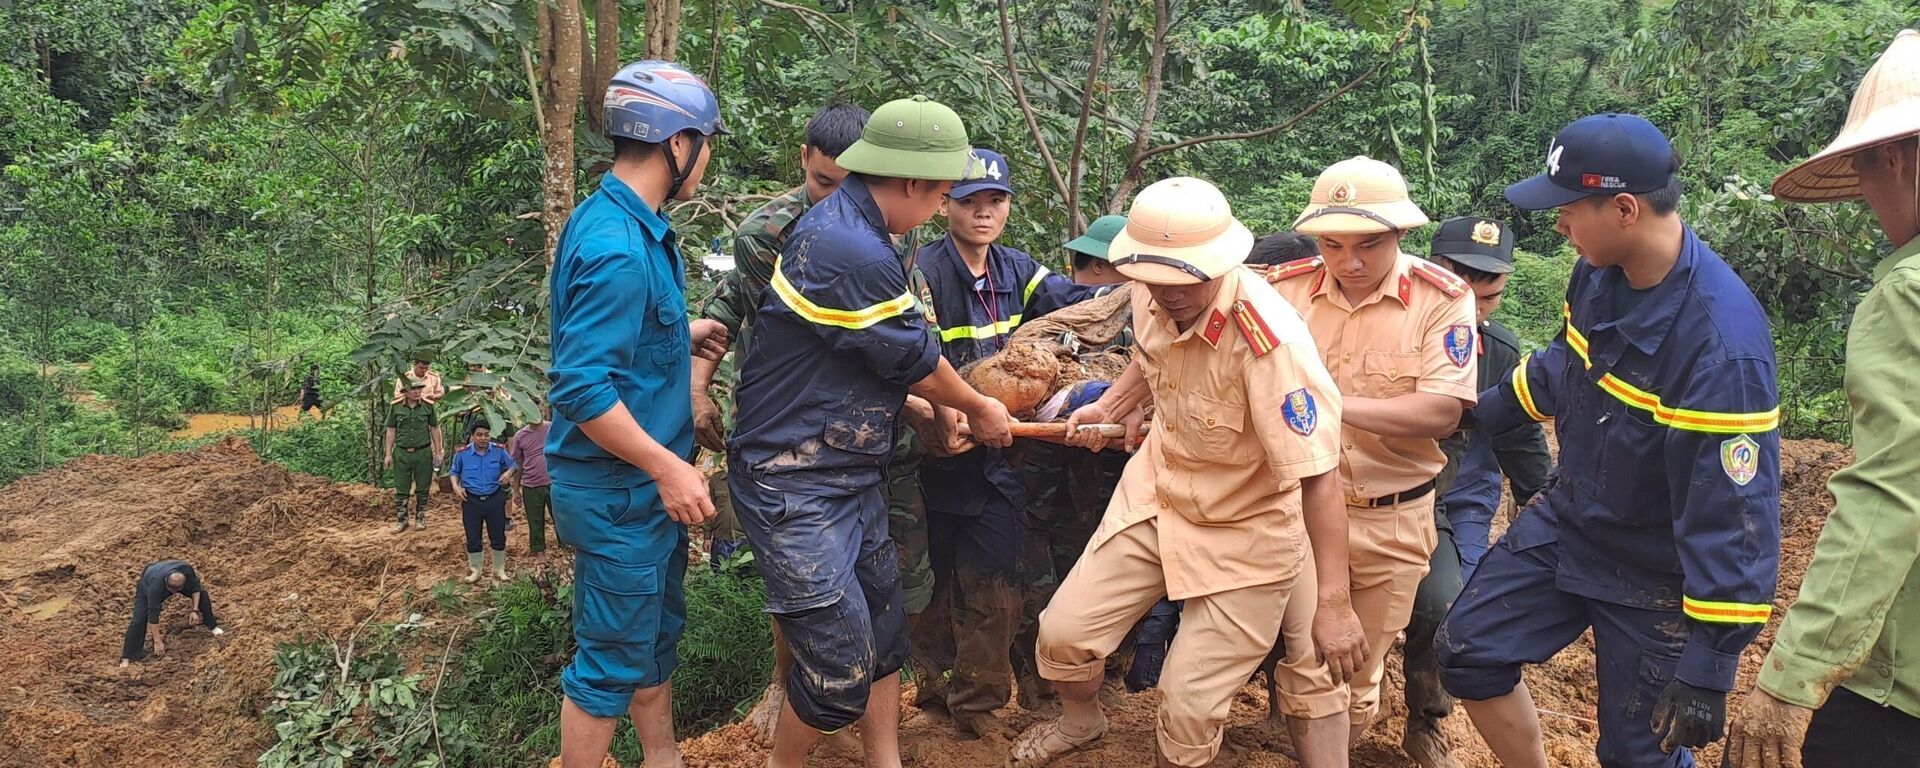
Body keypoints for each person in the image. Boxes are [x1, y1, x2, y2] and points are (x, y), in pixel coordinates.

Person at [1436, 114, 1782, 768]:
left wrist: (1710, 661)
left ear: (1624, 209)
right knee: (1469, 650)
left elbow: (1733, 516)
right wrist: (1478, 416)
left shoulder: (1719, 350)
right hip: (1574, 521)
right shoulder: (1597, 272)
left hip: (1655, 571)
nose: (1559, 225)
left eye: (1568, 209)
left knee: (1636, 753)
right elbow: (1565, 365)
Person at [1009, 176, 1365, 768]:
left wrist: (1333, 601)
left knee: (1188, 704)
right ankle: (1081, 721)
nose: (1167, 295)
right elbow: (1153, 360)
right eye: (1154, 280)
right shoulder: (1151, 292)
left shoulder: (1269, 343)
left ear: (1220, 263)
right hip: (1160, 493)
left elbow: (1319, 476)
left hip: (1248, 527)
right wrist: (1111, 406)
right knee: (1065, 634)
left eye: (1185, 281)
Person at [726, 95, 1013, 768]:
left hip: (848, 469)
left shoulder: (859, 226)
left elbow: (894, 354)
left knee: (884, 638)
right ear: (913, 184)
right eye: (943, 192)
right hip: (794, 482)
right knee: (836, 671)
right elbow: (914, 356)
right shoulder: (848, 246)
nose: (943, 205)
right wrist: (976, 407)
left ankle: (884, 760)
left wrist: (940, 406)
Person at [1726, 29, 1920, 767]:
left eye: (1865, 172)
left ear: (1890, 158)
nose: (1868, 197)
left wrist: (1794, 676)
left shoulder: (1907, 291)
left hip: (1901, 691)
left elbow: (1891, 494)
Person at [544, 59, 730, 768]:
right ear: (677, 144)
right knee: (611, 660)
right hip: (621, 489)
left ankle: (663, 756)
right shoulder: (619, 247)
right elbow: (583, 388)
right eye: (704, 143)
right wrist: (664, 466)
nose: (706, 158)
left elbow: (606, 340)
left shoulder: (630, 223)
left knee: (653, 636)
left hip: (640, 489)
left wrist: (673, 334)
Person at [1265, 156, 1479, 757]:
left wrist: (1323, 404)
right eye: (1331, 245)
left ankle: (1349, 729)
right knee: (1311, 657)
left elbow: (1442, 411)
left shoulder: (1441, 299)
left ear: (1401, 236)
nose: (1348, 263)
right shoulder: (1281, 290)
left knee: (1359, 666)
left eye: (1369, 246)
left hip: (1393, 516)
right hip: (1302, 510)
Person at [912, 147, 1109, 738]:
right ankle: (931, 691)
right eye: (970, 201)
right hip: (929, 453)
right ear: (945, 202)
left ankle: (978, 709)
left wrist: (1134, 290)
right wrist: (935, 413)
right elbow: (905, 355)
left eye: (995, 201)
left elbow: (1075, 305)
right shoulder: (919, 270)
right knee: (930, 586)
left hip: (999, 459)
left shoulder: (1018, 271)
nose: (983, 213)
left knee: (999, 583)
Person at [1396, 216, 1553, 768]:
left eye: (1490, 297)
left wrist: (1546, 498)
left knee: (1443, 600)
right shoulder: (1385, 327)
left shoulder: (1498, 352)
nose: (1475, 307)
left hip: (1456, 496)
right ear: (1431, 271)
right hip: (1368, 485)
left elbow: (1520, 434)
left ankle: (1426, 720)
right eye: (1463, 288)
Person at [1014, 213, 1138, 711]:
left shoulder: (1135, 313)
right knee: (1058, 571)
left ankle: (1083, 679)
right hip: (1053, 468)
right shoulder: (1061, 310)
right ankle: (1048, 682)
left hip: (1097, 470)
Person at [120, 559, 223, 667]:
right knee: (139, 619)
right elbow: (153, 615)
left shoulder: (186, 569)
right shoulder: (155, 587)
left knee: (203, 595)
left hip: (169, 575)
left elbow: (196, 589)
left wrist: (194, 610)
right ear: (166, 581)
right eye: (170, 589)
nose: (173, 592)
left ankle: (212, 626)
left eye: (176, 589)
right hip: (148, 581)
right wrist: (157, 641)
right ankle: (128, 657)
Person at [451, 424, 518, 582]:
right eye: (479, 435)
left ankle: (499, 569)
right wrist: (455, 486)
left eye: (486, 435)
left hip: (494, 498)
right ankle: (475, 570)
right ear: (473, 436)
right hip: (471, 499)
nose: (483, 438)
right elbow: (454, 472)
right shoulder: (463, 453)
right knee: (473, 536)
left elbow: (514, 464)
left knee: (498, 535)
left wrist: (508, 473)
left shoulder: (499, 450)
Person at [384, 380, 444, 533]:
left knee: (423, 487)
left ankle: (420, 517)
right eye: (413, 389)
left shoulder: (428, 406)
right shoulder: (396, 406)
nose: (417, 392)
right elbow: (391, 430)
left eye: (419, 389)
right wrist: (388, 453)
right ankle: (402, 520)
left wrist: (438, 451)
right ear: (405, 391)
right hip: (402, 452)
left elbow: (434, 428)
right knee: (401, 487)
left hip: (422, 452)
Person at [509, 402, 557, 575]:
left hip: (554, 482)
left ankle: (565, 547)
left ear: (542, 409)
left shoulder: (552, 428)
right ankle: (540, 554)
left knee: (561, 518)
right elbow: (518, 463)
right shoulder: (520, 436)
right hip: (531, 485)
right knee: (535, 521)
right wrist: (516, 490)